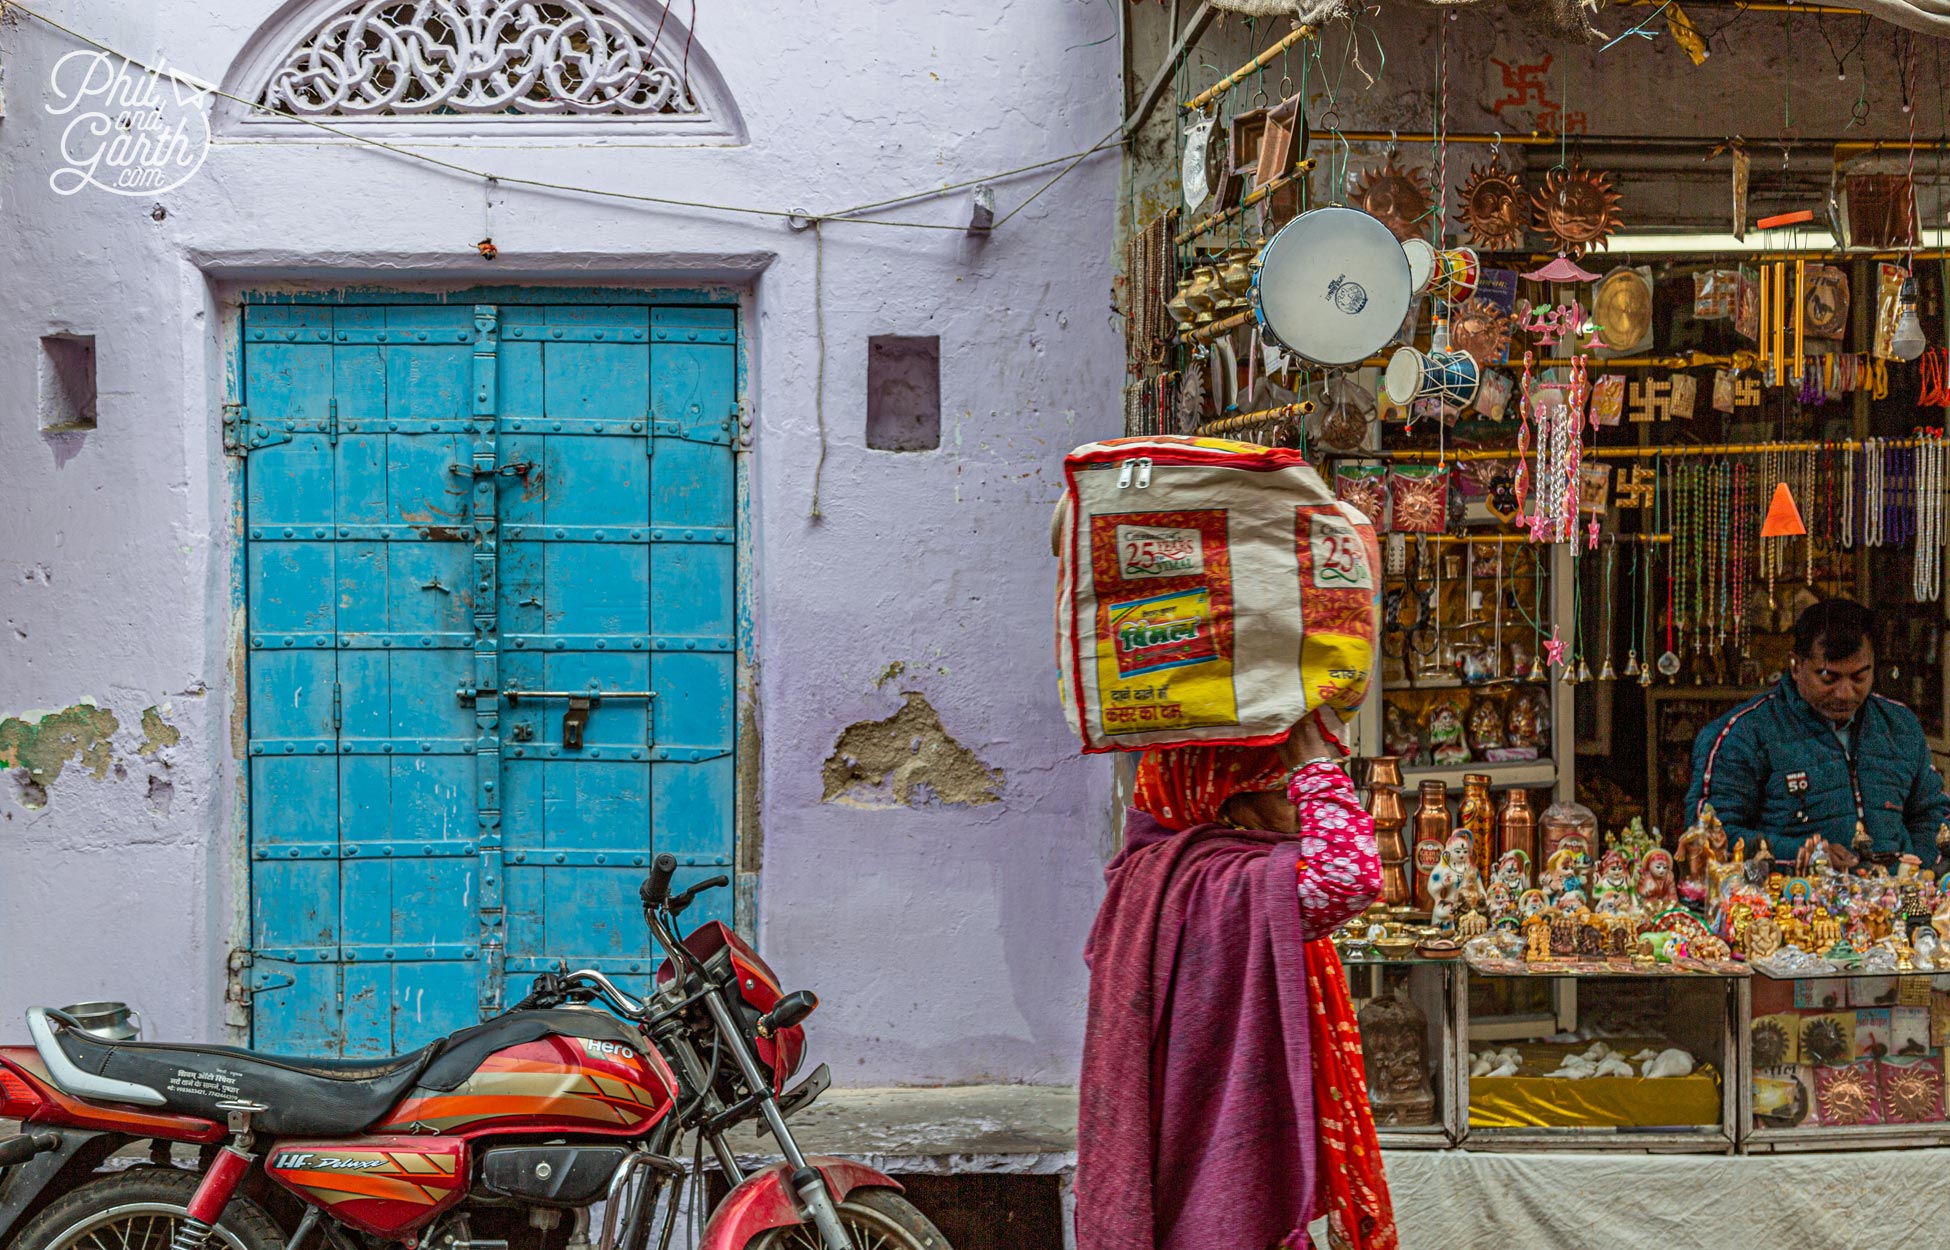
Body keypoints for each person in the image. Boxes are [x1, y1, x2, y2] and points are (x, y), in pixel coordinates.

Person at [1075, 709, 1396, 1250]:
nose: (1297, 804)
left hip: (1181, 1148)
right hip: (1212, 1163)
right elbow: (1350, 876)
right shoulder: (1224, 884)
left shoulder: (1156, 873)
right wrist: (1315, 767)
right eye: (1280, 788)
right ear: (1220, 800)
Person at [1685, 597, 1950, 874]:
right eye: (1828, 678)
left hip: (1895, 906)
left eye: (1859, 677)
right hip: (1789, 907)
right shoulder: (1743, 734)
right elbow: (1706, 835)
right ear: (1796, 665)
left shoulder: (1900, 725)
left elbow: (1933, 815)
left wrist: (1916, 869)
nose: (1845, 693)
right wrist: (1804, 855)